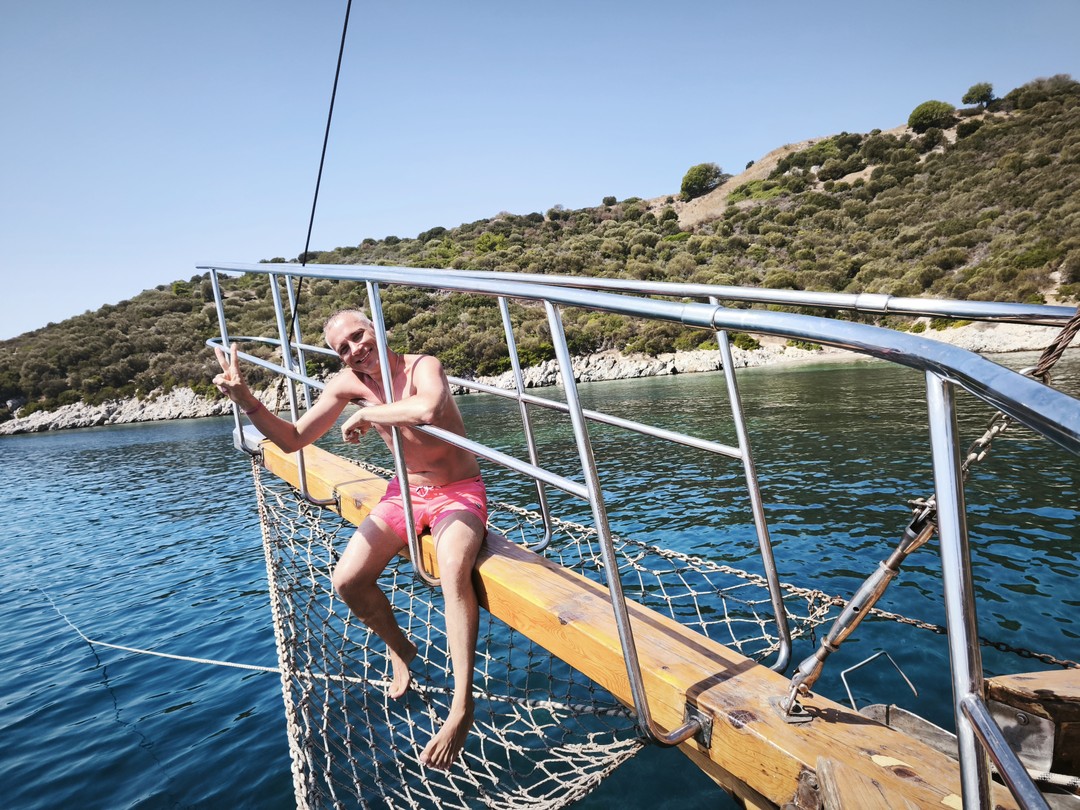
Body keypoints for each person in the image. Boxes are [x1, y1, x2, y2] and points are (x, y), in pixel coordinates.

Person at [213, 309, 487, 771]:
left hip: (457, 491)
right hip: (405, 491)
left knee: (453, 572)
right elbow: (293, 439)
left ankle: (462, 705)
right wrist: (247, 400)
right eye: (343, 348)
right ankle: (401, 647)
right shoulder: (347, 382)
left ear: (377, 329)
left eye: (359, 336)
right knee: (348, 580)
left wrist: (366, 412)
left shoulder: (423, 366)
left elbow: (426, 408)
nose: (355, 349)